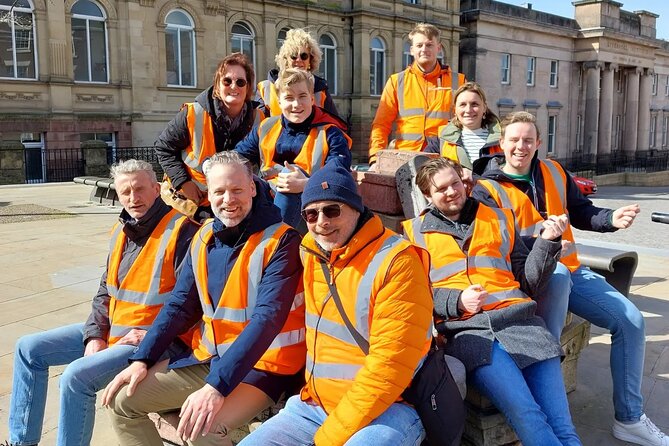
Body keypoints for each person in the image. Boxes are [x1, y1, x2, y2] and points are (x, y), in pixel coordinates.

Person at [473, 111, 668, 446]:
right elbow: (492, 245)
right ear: (501, 143)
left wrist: (610, 218)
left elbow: (582, 211)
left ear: (538, 143)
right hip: (521, 278)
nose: (522, 146)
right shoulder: (486, 190)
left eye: (528, 140)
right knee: (558, 273)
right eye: (515, 140)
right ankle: (544, 367)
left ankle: (630, 418)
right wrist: (544, 244)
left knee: (632, 321)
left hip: (570, 272)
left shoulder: (552, 170)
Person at [101, 151, 306, 445]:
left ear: (252, 187)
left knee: (201, 427)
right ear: (208, 194)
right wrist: (143, 358)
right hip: (211, 358)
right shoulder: (205, 235)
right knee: (122, 401)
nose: (228, 199)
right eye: (219, 191)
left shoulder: (282, 241)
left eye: (237, 189)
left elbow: (266, 321)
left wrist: (216, 387)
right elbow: (179, 305)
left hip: (264, 366)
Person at [239, 162, 434, 446]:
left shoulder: (398, 261)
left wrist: (328, 438)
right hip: (315, 406)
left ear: (356, 208)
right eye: (311, 213)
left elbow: (388, 367)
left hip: (390, 408)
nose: (321, 222)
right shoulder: (311, 252)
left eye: (332, 210)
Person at [7, 159, 199, 446]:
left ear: (157, 189)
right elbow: (104, 290)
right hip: (117, 330)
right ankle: (21, 441)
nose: (133, 198)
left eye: (140, 189)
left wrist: (153, 337)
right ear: (117, 194)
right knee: (28, 348)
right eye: (125, 192)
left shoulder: (183, 231)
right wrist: (95, 334)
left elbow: (190, 302)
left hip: (153, 340)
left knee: (75, 377)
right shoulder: (122, 228)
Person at [403, 157, 581, 445]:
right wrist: (456, 300)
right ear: (427, 195)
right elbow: (412, 294)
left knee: (562, 423)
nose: (452, 192)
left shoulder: (499, 217)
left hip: (522, 323)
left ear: (464, 182)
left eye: (455, 183)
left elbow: (529, 281)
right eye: (441, 189)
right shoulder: (413, 234)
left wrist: (547, 241)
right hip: (471, 334)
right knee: (527, 413)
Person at [236, 68, 351, 228]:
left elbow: (340, 177)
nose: (296, 104)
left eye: (302, 96)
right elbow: (237, 156)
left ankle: (277, 241)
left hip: (312, 209)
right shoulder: (266, 127)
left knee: (290, 173)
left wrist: (307, 184)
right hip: (267, 196)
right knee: (234, 175)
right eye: (289, 98)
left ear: (311, 98)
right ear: (280, 101)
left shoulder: (331, 133)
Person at [155, 53, 266, 219]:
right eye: (227, 81)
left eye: (240, 82)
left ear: (248, 87)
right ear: (217, 86)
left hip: (235, 203)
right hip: (195, 202)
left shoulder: (260, 119)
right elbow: (164, 147)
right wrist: (182, 182)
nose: (234, 87)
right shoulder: (193, 113)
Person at [368, 22, 466, 165]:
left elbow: (469, 124)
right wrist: (375, 159)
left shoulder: (458, 81)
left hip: (444, 159)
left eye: (429, 45)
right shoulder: (397, 82)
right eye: (419, 45)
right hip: (405, 158)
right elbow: (381, 125)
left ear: (438, 48)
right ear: (412, 49)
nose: (424, 49)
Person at [257, 28, 340, 120]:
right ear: (286, 59)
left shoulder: (320, 89)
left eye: (304, 56)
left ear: (310, 60)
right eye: (293, 55)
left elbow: (334, 124)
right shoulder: (266, 88)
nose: (298, 60)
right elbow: (258, 127)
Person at [434, 81, 501, 183]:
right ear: (455, 110)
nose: (468, 110)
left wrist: (474, 177)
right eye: (462, 105)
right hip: (455, 197)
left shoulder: (504, 139)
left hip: (491, 197)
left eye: (474, 104)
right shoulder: (440, 140)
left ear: (484, 108)